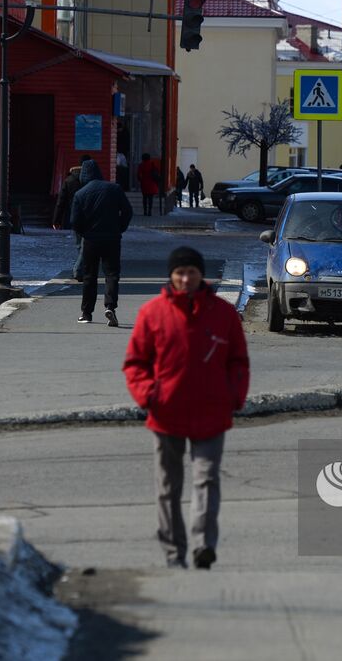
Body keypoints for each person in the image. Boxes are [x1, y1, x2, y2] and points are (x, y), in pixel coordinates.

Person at [123, 246, 249, 569]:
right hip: (166, 413)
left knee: (207, 480)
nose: (185, 278)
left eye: (191, 272)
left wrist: (233, 395)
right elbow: (136, 363)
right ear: (171, 275)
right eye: (179, 272)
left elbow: (238, 361)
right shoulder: (152, 314)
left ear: (200, 274)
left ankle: (202, 545)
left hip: (212, 412)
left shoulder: (222, 314)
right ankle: (173, 553)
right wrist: (149, 396)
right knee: (168, 488)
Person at [70, 158, 132, 325]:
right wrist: (120, 228)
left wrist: (84, 233)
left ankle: (86, 313)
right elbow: (127, 210)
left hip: (91, 240)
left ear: (83, 175)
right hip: (112, 238)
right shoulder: (114, 189)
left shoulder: (80, 194)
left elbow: (75, 221)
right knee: (112, 274)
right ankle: (110, 307)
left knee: (90, 276)